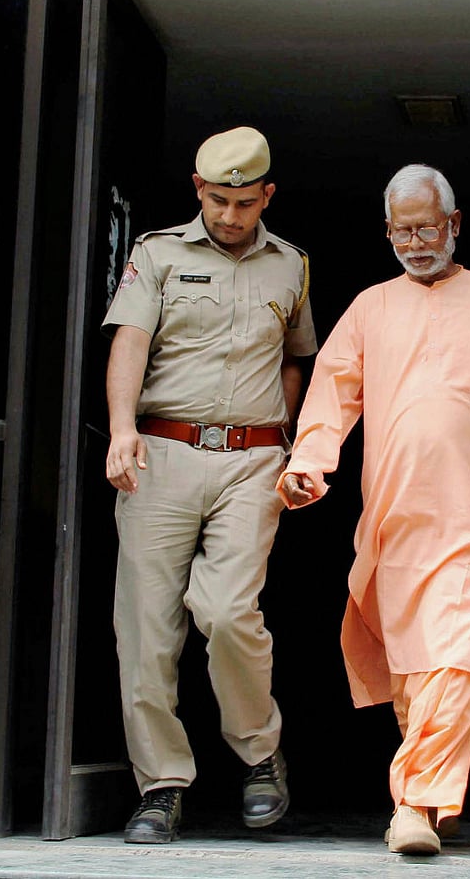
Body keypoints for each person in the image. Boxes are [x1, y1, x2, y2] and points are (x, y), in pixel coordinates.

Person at [277, 163, 470, 856]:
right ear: (387, 233)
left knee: (462, 653)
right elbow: (331, 392)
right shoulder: (370, 307)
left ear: (454, 225)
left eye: (426, 229)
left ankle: (410, 804)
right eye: (402, 232)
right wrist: (308, 462)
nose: (415, 243)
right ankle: (435, 798)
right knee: (414, 666)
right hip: (395, 515)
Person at [103, 126, 317, 842]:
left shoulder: (292, 265)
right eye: (219, 200)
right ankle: (161, 785)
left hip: (250, 461)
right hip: (160, 453)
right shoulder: (157, 253)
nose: (230, 215)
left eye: (245, 202)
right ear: (198, 189)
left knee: (227, 611)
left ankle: (259, 754)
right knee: (146, 626)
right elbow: (130, 341)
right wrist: (122, 428)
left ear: (268, 195)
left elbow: (296, 358)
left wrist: (288, 440)